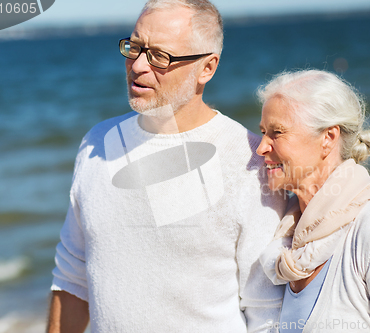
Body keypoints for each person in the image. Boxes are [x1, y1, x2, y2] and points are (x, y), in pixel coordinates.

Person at [46, 1, 286, 332]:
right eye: (135, 47)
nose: (138, 65)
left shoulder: (248, 160)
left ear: (207, 68)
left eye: (160, 56)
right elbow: (73, 277)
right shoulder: (96, 144)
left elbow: (266, 309)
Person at [256, 69, 370, 332]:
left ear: (328, 138)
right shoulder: (288, 240)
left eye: (277, 132)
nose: (261, 147)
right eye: (263, 132)